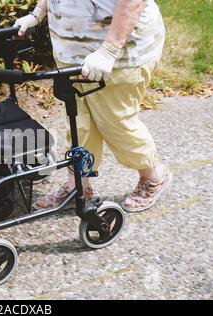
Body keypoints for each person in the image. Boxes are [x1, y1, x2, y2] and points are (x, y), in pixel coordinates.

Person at [14, 0, 172, 212]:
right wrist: (38, 13)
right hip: (71, 55)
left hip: (121, 55)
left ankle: (154, 175)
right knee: (78, 121)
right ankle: (79, 185)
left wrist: (109, 50)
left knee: (116, 122)